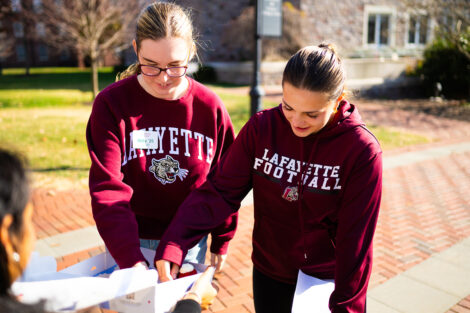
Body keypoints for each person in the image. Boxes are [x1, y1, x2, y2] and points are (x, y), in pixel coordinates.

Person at [155, 44, 383, 313]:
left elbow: (355, 245)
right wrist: (174, 242)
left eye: (312, 114)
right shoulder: (262, 129)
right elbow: (219, 192)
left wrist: (347, 308)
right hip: (270, 272)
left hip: (327, 281)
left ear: (338, 99)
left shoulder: (361, 151)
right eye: (288, 106)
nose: (296, 121)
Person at [86, 1, 237, 272]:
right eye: (151, 65)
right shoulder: (112, 104)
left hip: (189, 242)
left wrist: (222, 238)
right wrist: (130, 260)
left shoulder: (209, 106)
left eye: (176, 66)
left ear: (191, 52)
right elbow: (107, 189)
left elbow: (225, 182)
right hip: (128, 239)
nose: (163, 78)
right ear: (135, 50)